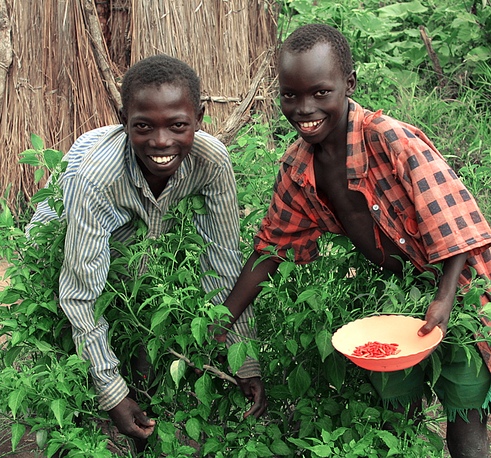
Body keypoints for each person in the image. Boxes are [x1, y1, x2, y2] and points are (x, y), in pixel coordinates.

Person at [219, 24, 491, 457]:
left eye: (320, 93)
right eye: (290, 95)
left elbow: (457, 217)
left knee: (465, 408)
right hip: (394, 296)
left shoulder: (388, 138)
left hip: (457, 285)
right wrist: (223, 319)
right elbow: (271, 247)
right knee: (393, 409)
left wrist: (443, 298)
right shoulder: (297, 165)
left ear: (349, 84)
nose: (304, 108)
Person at [27, 54, 267, 442]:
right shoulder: (98, 177)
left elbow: (222, 261)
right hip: (67, 222)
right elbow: (80, 295)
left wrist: (245, 360)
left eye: (177, 125)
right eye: (143, 126)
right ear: (123, 120)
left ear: (199, 116)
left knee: (144, 320)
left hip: (138, 242)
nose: (161, 141)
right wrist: (112, 393)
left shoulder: (210, 162)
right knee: (63, 343)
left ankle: (145, 419)